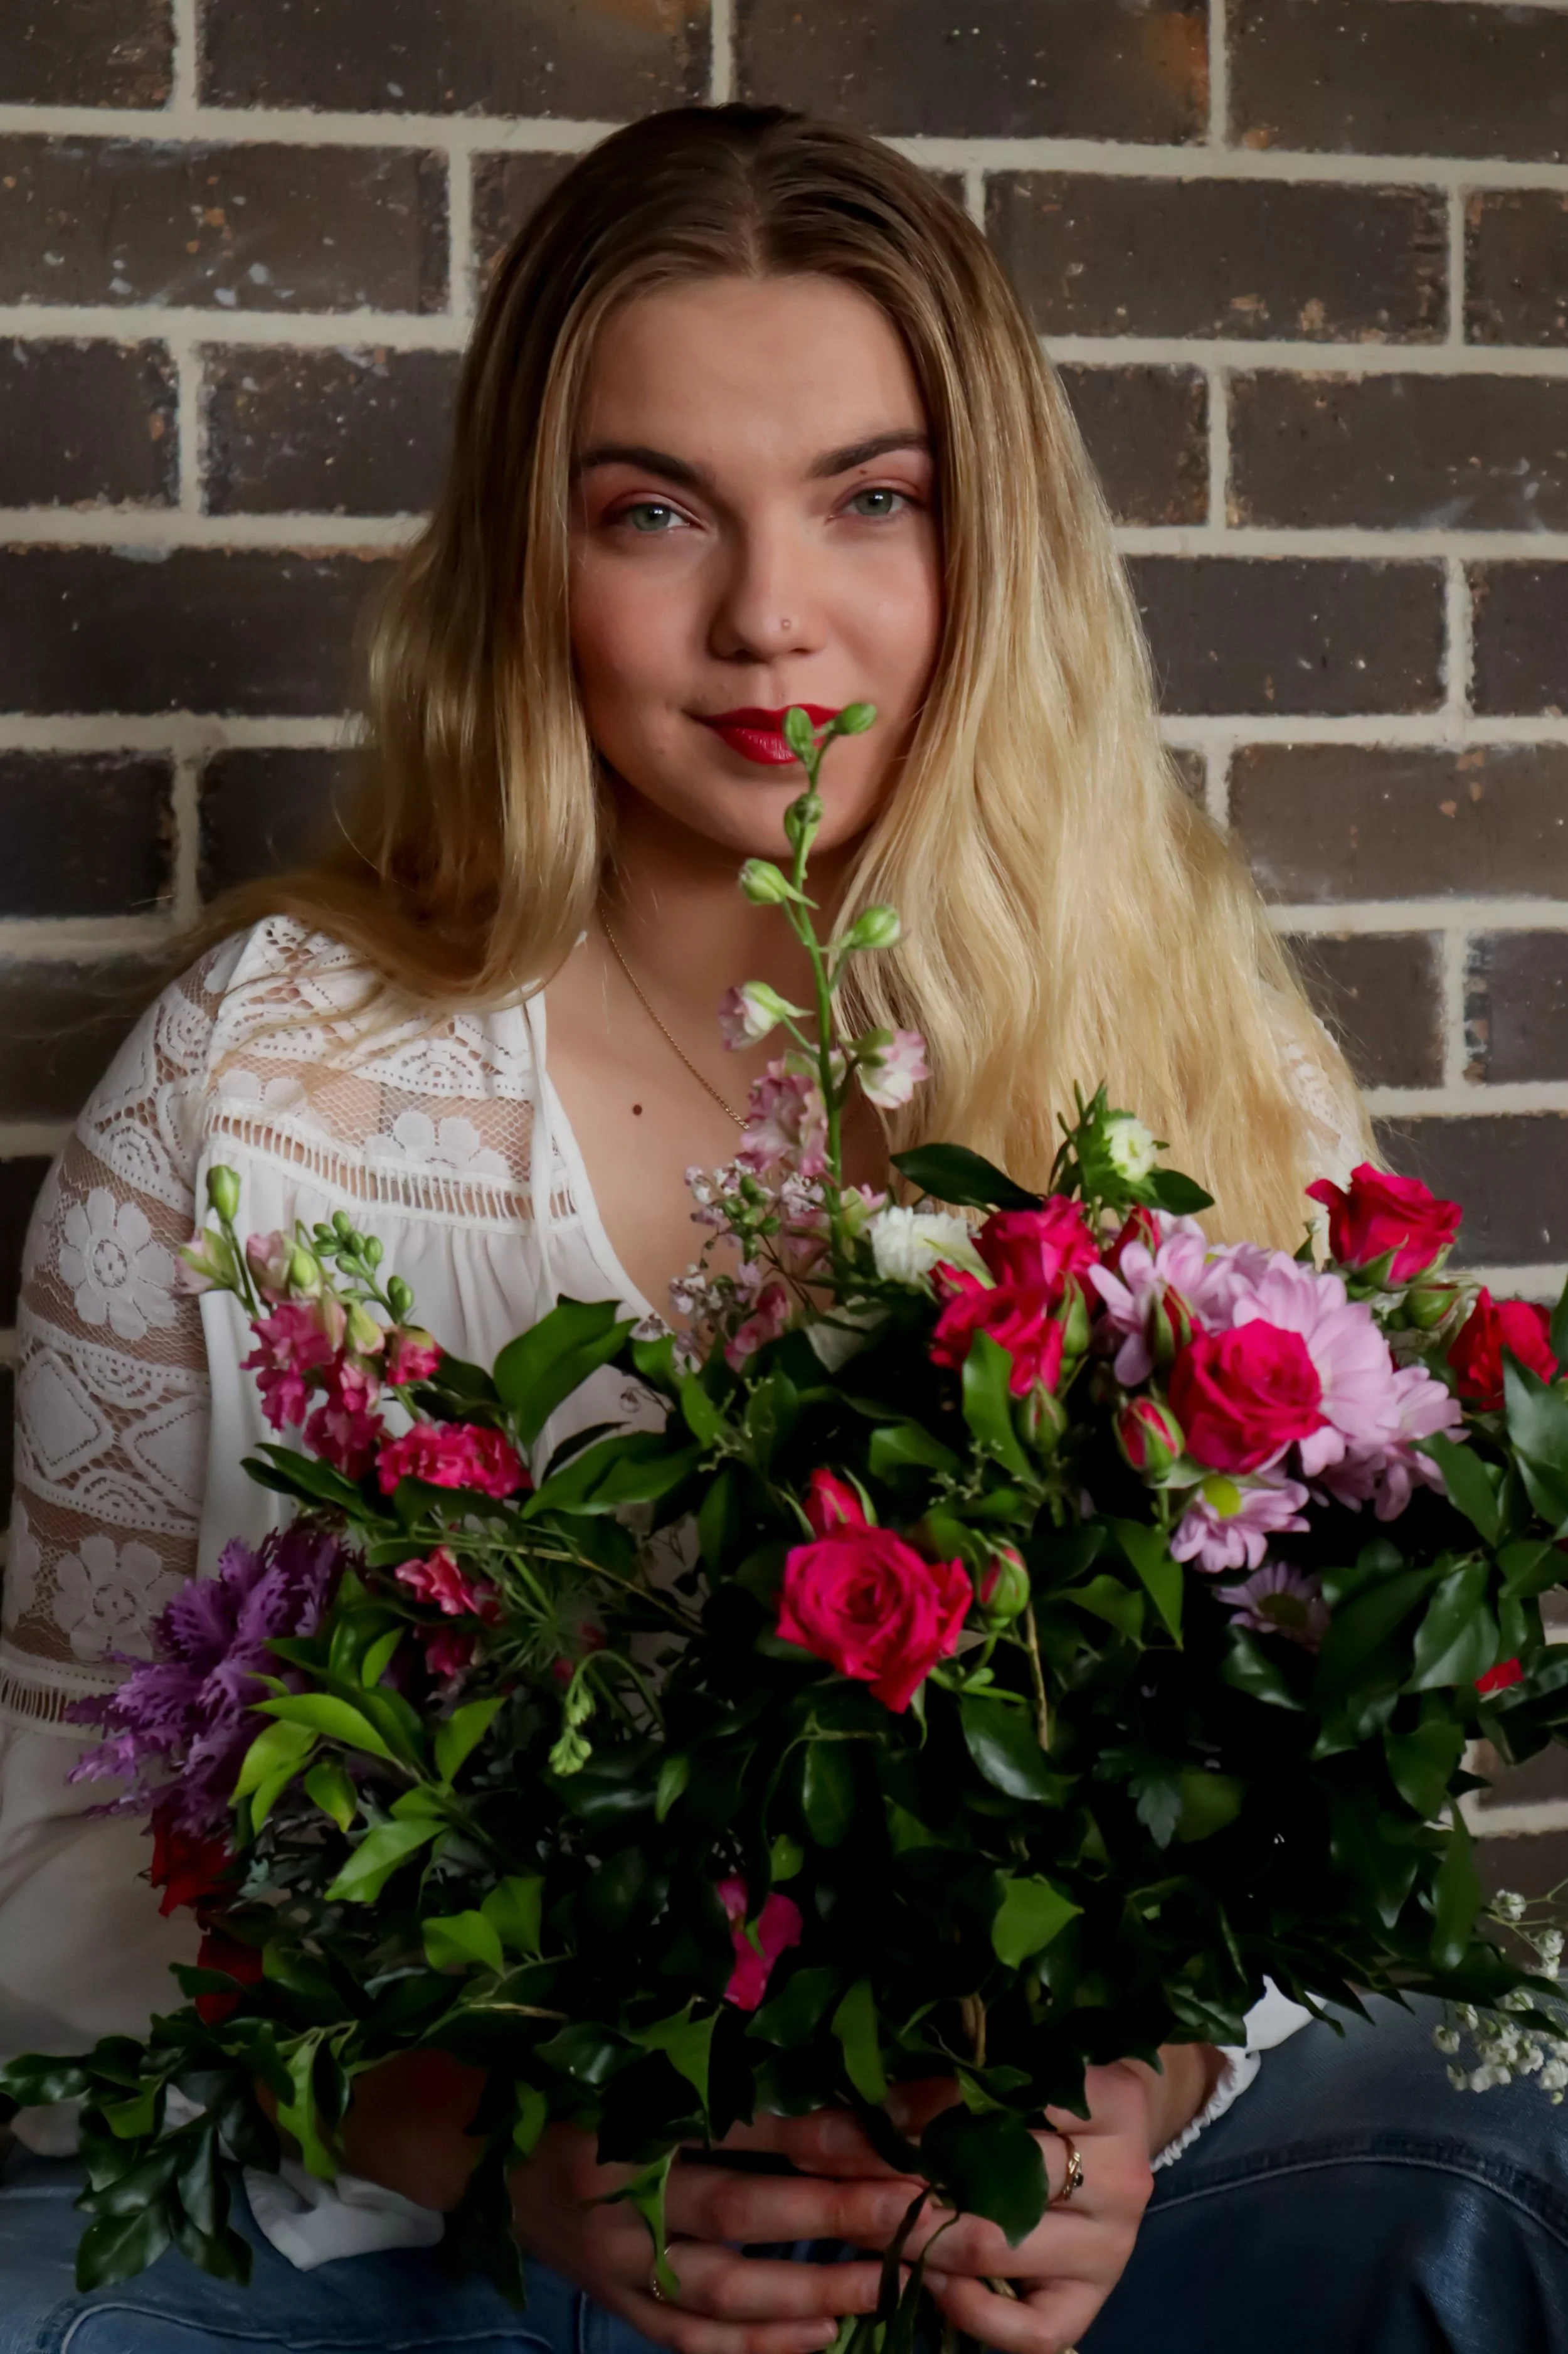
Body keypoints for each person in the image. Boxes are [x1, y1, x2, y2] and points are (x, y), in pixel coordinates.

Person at [0, 102, 1562, 2354]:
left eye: (871, 500)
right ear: (527, 560)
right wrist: (483, 2133)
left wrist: (1127, 2098)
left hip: (1036, 2226)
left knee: (1512, 2160)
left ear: (990, 543)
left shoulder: (1192, 1045)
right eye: (651, 511)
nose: (766, 617)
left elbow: (1301, 1771)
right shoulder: (258, 1083)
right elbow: (54, 1840)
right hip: (450, 2243)